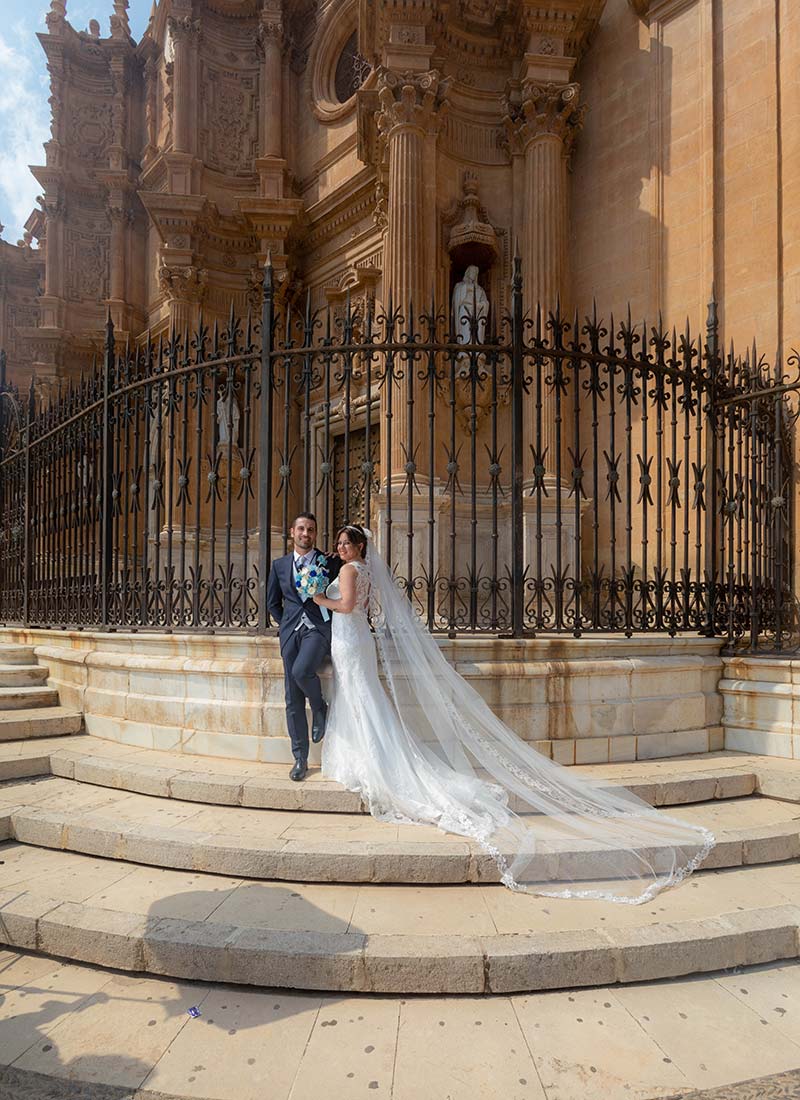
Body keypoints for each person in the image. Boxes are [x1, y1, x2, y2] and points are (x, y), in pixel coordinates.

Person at [313, 523, 717, 904]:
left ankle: (367, 762)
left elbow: (346, 605)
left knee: (361, 700)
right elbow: (368, 608)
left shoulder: (350, 570)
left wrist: (319, 598)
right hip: (356, 640)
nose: (341, 547)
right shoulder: (364, 569)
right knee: (363, 699)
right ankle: (369, 756)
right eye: (340, 543)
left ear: (360, 546)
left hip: (349, 639)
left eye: (346, 542)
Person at [267, 513, 341, 781]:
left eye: (310, 529)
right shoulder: (279, 565)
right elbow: (272, 602)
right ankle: (300, 758)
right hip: (290, 634)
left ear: (315, 533)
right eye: (301, 529)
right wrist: (287, 622)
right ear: (292, 532)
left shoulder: (329, 562)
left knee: (302, 672)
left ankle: (319, 707)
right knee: (292, 698)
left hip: (317, 631)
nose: (305, 534)